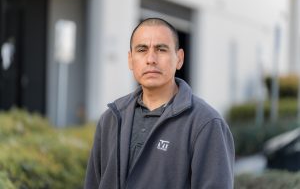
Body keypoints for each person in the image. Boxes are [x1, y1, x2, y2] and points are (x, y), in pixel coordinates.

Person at [84, 17, 235, 189]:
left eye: (161, 49)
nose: (151, 59)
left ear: (179, 59)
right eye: (142, 49)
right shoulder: (112, 118)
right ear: (130, 59)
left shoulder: (206, 123)